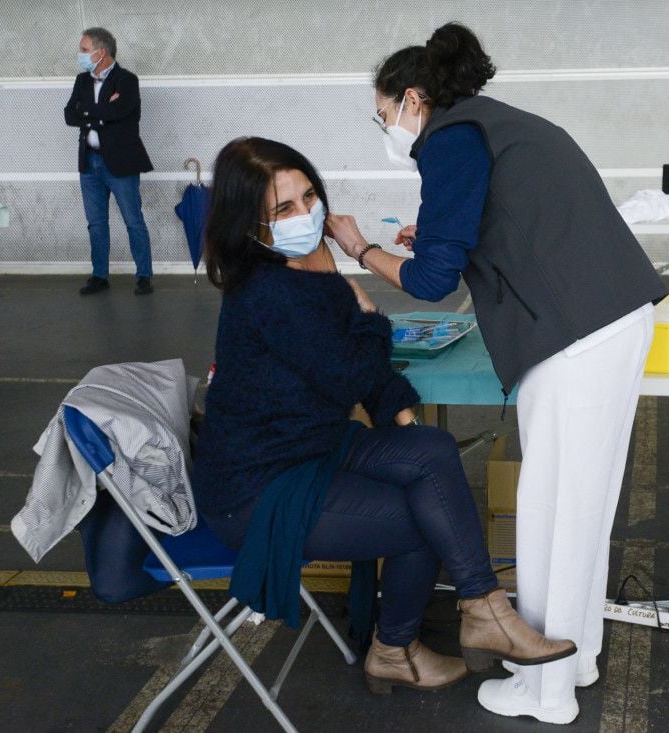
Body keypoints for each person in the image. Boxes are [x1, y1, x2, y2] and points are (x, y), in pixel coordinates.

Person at [326, 22, 667, 725]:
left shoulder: (449, 139)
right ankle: (579, 655)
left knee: (550, 512)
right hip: (610, 320)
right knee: (584, 507)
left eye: (383, 114)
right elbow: (506, 220)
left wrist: (360, 248)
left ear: (412, 99)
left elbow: (429, 279)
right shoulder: (495, 125)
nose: (385, 127)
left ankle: (545, 691)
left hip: (576, 336)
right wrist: (446, 235)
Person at [194, 137, 575, 696]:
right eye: (284, 209)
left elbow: (360, 373)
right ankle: (398, 648)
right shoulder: (271, 292)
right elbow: (354, 370)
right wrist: (367, 315)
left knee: (434, 454)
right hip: (258, 488)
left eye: (309, 197)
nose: (306, 214)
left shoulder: (298, 268)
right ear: (252, 226)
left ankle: (482, 606)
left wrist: (394, 406)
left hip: (309, 447)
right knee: (422, 516)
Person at [64, 27, 154, 296]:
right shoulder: (82, 81)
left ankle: (144, 276)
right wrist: (101, 114)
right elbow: (70, 115)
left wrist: (88, 111)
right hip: (89, 163)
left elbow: (122, 111)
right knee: (96, 222)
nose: (80, 54)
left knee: (133, 220)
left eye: (83, 49)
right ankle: (99, 275)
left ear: (100, 52)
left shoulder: (127, 80)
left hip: (120, 164)